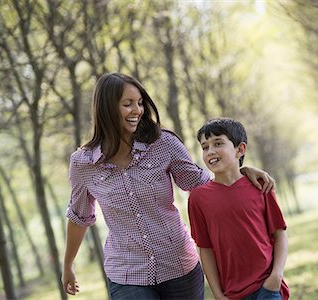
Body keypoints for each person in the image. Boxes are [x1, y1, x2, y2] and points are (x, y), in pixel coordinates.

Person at [61, 73, 276, 300]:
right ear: (106, 109)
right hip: (127, 273)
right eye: (128, 104)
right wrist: (68, 265)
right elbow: (79, 216)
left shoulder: (163, 143)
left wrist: (240, 171)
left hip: (179, 266)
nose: (137, 110)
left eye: (140, 103)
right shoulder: (82, 163)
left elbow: (202, 183)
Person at [188, 118, 289, 300]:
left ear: (240, 149)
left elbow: (279, 233)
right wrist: (218, 295)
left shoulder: (260, 185)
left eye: (218, 143)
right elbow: (205, 249)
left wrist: (276, 276)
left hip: (267, 287)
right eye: (205, 147)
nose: (210, 151)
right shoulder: (198, 198)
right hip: (232, 294)